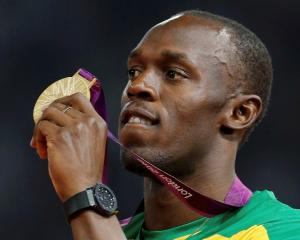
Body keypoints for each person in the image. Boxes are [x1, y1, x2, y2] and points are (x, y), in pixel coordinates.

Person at [30, 10, 300, 240]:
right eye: (134, 71)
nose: (137, 86)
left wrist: (86, 195)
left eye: (173, 74)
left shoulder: (282, 230)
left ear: (240, 112)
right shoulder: (105, 231)